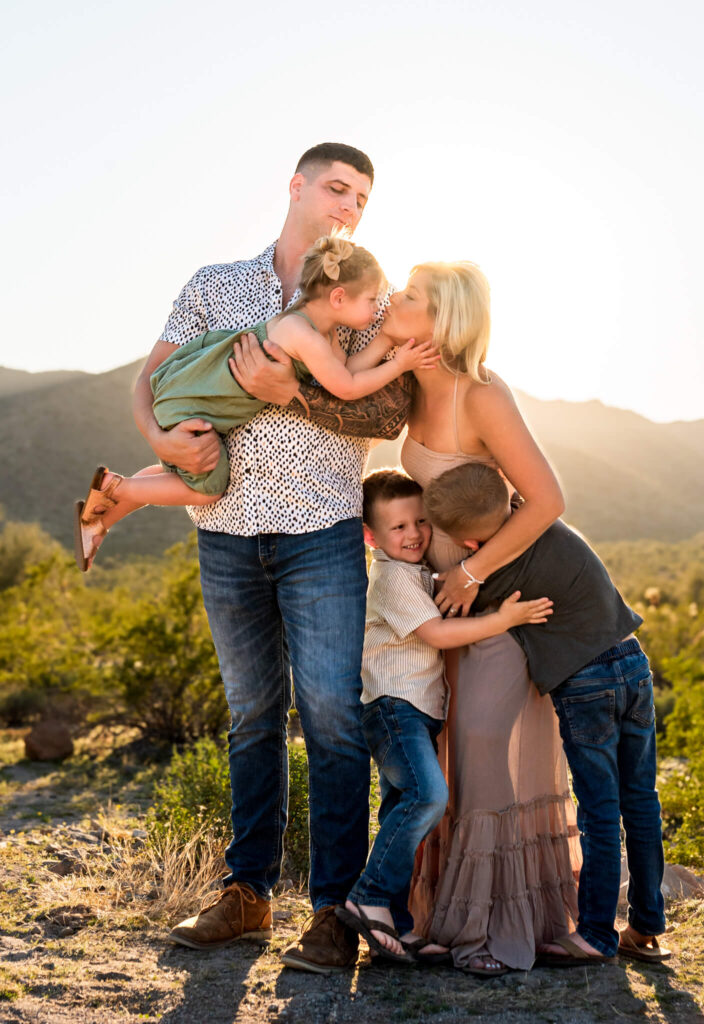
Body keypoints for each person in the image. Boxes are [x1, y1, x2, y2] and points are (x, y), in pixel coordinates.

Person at [121, 143, 416, 973]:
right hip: (222, 529)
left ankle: (332, 911)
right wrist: (155, 437)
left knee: (329, 720)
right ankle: (245, 895)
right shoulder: (216, 285)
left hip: (321, 530)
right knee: (252, 718)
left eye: (360, 196)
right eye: (335, 187)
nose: (347, 206)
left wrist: (299, 395)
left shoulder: (368, 298)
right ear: (295, 186)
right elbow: (146, 382)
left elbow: (389, 415)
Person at [373, 260, 582, 975]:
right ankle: (443, 920)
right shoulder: (408, 387)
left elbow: (548, 500)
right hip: (440, 615)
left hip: (492, 603)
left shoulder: (481, 394)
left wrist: (468, 570)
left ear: (444, 320)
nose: (392, 300)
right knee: (450, 760)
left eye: (409, 297)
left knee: (484, 744)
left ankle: (497, 929)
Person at [423, 462, 671, 966]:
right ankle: (646, 926)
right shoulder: (550, 527)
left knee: (600, 811)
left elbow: (451, 605)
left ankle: (597, 935)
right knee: (641, 800)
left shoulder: (499, 576)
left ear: (472, 546)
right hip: (633, 664)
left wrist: (458, 576)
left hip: (586, 684)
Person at [73, 236, 436, 571]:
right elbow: (347, 388)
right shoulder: (302, 334)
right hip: (195, 402)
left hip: (191, 396)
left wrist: (387, 342)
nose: (380, 306)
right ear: (339, 298)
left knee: (174, 475)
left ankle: (98, 518)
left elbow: (343, 373)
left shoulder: (317, 329)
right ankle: (115, 488)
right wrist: (399, 364)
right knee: (208, 489)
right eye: (372, 300)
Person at [337, 470, 553, 965]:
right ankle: (368, 895)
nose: (413, 534)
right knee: (428, 795)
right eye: (398, 527)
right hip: (395, 709)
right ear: (371, 536)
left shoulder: (412, 573)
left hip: (415, 713)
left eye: (420, 522)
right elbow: (434, 634)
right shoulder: (391, 578)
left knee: (399, 807)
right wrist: (502, 621)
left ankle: (396, 920)